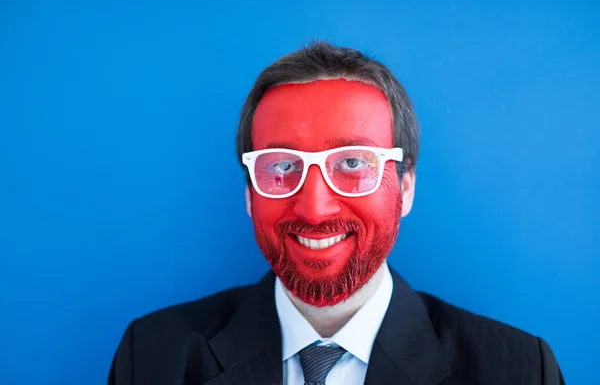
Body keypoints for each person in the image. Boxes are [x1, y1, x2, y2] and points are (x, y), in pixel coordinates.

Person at [108, 42, 565, 385]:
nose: (314, 208)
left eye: (352, 164)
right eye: (283, 167)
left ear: (405, 187)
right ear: (249, 195)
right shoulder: (150, 359)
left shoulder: (520, 371)